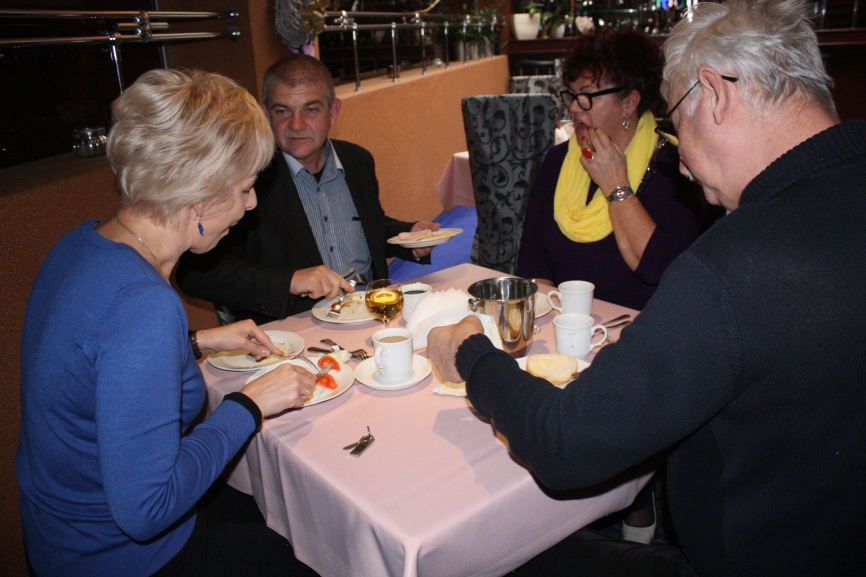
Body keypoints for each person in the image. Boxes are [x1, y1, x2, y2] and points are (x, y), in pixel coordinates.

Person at [427, 0, 866, 574]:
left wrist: (471, 353)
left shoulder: (732, 266)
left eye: (676, 123)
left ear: (716, 93)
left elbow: (564, 445)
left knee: (492, 559)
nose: (680, 162)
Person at [16, 69, 320, 577]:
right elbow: (147, 510)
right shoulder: (145, 307)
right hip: (123, 559)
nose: (251, 204)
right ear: (198, 199)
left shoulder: (80, 245)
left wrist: (195, 340)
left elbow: (95, 356)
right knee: (314, 547)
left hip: (58, 536)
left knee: (273, 507)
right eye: (245, 188)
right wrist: (251, 403)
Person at [176, 55, 439, 324]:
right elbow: (195, 275)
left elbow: (365, 227)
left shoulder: (357, 161)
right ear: (266, 115)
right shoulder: (247, 181)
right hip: (296, 329)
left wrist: (408, 237)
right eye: (282, 111)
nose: (296, 124)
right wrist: (288, 281)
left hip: (371, 313)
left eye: (310, 110)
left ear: (333, 112)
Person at [517, 28, 705, 311]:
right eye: (572, 95)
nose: (574, 107)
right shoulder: (558, 160)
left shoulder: (673, 166)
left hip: (644, 326)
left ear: (629, 103)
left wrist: (617, 186)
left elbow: (659, 268)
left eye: (587, 96)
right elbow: (532, 264)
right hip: (566, 323)